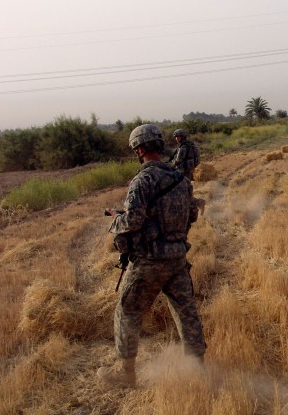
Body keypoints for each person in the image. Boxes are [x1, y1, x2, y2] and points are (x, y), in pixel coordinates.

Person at [97, 124, 206, 387]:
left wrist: (116, 221)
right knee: (186, 312)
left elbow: (133, 220)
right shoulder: (181, 179)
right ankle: (197, 369)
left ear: (140, 149)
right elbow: (192, 213)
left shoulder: (142, 180)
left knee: (128, 311)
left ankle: (126, 373)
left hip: (150, 262)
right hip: (178, 258)